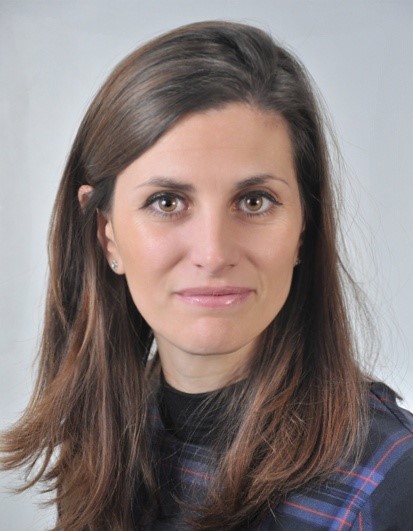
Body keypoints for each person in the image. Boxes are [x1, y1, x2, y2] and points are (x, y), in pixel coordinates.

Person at [1, 20, 412, 530]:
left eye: (254, 201)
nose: (214, 254)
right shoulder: (103, 442)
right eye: (166, 202)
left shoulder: (391, 481)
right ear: (106, 235)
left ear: (303, 228)